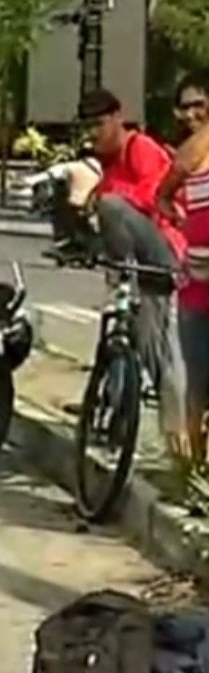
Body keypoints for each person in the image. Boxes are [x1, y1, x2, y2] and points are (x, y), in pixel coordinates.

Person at [80, 88, 190, 456]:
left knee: (111, 204)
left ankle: (183, 445)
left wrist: (106, 197)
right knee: (142, 349)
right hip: (142, 267)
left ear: (116, 118)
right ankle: (120, 425)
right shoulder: (109, 165)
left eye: (97, 125)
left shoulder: (140, 147)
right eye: (86, 128)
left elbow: (152, 193)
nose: (92, 135)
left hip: (164, 252)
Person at [156, 72, 209, 468]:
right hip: (197, 284)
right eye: (184, 107)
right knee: (197, 385)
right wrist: (180, 222)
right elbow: (163, 195)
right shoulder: (190, 152)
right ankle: (195, 473)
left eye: (199, 104)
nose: (191, 114)